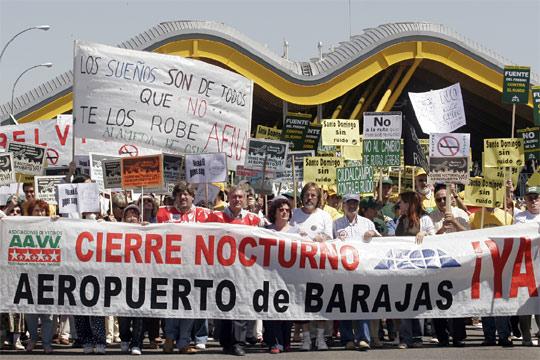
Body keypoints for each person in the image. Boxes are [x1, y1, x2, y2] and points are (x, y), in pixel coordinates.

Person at [207, 185, 262, 356]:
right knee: (223, 305)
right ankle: (225, 341)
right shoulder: (216, 217)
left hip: (244, 270)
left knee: (241, 305)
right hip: (222, 269)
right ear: (228, 198)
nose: (237, 200)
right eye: (234, 197)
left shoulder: (254, 219)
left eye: (240, 197)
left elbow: (272, 234)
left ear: (245, 199)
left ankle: (238, 342)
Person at [160, 181, 211, 354]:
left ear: (192, 197)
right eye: (180, 194)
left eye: (186, 194)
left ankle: (183, 342)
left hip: (194, 269)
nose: (183, 197)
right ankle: (169, 337)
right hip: (170, 269)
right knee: (171, 305)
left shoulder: (204, 215)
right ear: (175, 196)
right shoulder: (163, 213)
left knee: (189, 305)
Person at [289, 182, 333, 351]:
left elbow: (330, 237)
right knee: (302, 301)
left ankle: (320, 338)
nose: (310, 198)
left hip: (320, 265)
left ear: (318, 198)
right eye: (307, 194)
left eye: (313, 195)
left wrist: (322, 238)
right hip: (300, 265)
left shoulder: (325, 216)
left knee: (319, 300)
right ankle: (306, 338)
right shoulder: (294, 214)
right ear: (302, 196)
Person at [333, 194, 379, 351]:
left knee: (362, 302)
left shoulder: (367, 223)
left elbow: (381, 241)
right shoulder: (336, 224)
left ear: (359, 205)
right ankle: (347, 339)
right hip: (343, 271)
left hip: (362, 271)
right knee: (345, 304)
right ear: (343, 205)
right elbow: (329, 243)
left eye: (355, 203)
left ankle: (363, 338)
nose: (352, 206)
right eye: (349, 203)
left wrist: (372, 234)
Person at [429, 184, 469, 347]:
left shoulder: (461, 214)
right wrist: (442, 229)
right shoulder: (430, 217)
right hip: (438, 265)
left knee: (458, 299)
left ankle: (458, 336)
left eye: (444, 198)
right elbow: (428, 240)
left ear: (451, 198)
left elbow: (470, 235)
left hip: (458, 263)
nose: (442, 202)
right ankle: (442, 336)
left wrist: (454, 222)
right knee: (438, 301)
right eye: (438, 199)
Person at [469, 203, 513, 347]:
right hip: (484, 264)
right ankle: (489, 336)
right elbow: (468, 238)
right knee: (486, 300)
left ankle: (504, 335)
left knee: (500, 301)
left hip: (502, 263)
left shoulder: (507, 216)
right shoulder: (474, 217)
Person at [395, 191, 435, 349]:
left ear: (410, 203)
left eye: (402, 202)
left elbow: (435, 238)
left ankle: (417, 336)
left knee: (417, 303)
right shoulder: (401, 220)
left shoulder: (425, 219)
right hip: (403, 267)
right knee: (404, 303)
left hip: (419, 267)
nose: (400, 205)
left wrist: (424, 233)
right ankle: (405, 338)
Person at [263, 196, 294, 354]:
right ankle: (275, 342)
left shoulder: (296, 231)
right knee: (272, 309)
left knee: (287, 309)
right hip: (270, 276)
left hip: (289, 277)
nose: (284, 212)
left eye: (287, 210)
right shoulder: (266, 231)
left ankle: (286, 340)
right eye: (281, 210)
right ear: (274, 213)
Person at [24, 200, 55, 353]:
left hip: (48, 275)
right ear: (30, 213)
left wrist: (58, 223)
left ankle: (47, 342)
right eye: (36, 211)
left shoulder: (53, 226)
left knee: (48, 313)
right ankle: (34, 338)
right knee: (30, 312)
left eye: (43, 211)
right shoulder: (23, 227)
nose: (40, 213)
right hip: (29, 276)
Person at [512, 186, 540, 346]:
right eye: (530, 198)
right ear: (525, 200)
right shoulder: (520, 218)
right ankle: (526, 337)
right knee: (525, 304)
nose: (533, 200)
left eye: (536, 197)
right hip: (525, 266)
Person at [118, 204, 145, 355]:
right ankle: (125, 338)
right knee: (123, 315)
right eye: (129, 214)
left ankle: (137, 343)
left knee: (139, 314)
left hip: (141, 278)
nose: (132, 217)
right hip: (122, 279)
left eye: (135, 214)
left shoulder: (146, 230)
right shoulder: (116, 230)